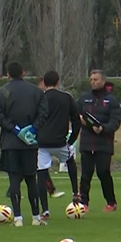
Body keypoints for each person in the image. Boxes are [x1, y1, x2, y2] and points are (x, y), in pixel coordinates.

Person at [0, 61, 48, 227]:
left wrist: (14, 129)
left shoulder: (1, 93)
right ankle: (36, 217)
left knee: (14, 179)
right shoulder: (36, 92)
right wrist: (33, 129)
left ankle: (17, 218)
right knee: (31, 178)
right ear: (23, 72)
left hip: (10, 142)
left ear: (8, 74)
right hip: (30, 142)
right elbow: (44, 112)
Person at [36, 70, 81, 218]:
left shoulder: (39, 98)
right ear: (57, 82)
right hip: (60, 141)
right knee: (70, 161)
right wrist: (72, 140)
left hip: (42, 143)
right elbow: (76, 120)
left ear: (44, 82)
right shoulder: (66, 98)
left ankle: (45, 210)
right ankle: (75, 192)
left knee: (41, 174)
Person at [78, 70, 121, 212]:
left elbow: (115, 122)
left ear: (103, 81)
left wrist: (103, 129)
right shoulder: (84, 98)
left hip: (104, 143)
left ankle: (111, 201)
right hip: (86, 142)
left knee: (103, 172)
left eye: (96, 79)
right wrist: (80, 121)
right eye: (91, 79)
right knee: (86, 174)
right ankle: (83, 202)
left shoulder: (112, 100)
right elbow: (76, 115)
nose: (93, 82)